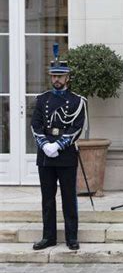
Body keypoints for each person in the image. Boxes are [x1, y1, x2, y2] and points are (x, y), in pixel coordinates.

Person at [30, 44, 87, 251]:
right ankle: (49, 237)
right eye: (54, 76)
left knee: (69, 198)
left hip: (66, 155)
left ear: (67, 78)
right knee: (47, 198)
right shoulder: (42, 99)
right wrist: (45, 145)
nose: (56, 80)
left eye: (60, 76)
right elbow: (35, 125)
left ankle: (72, 237)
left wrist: (59, 145)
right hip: (45, 156)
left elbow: (77, 127)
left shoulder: (77, 101)